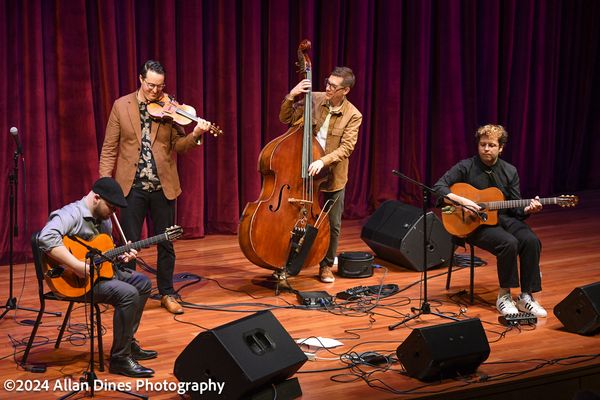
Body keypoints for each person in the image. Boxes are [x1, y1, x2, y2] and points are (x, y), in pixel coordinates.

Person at [99, 60, 211, 314]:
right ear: (141, 79)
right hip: (131, 187)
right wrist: (105, 185)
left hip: (163, 186)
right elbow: (109, 148)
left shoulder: (170, 108)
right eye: (151, 85)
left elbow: (179, 146)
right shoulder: (121, 106)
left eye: (160, 86)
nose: (155, 91)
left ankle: (167, 292)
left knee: (167, 243)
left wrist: (195, 135)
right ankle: (127, 295)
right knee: (128, 244)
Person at [38, 177, 157, 377]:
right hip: (74, 281)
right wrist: (76, 265)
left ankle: (127, 343)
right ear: (96, 198)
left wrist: (121, 256)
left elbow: (103, 253)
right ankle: (120, 359)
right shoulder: (71, 213)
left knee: (143, 283)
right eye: (111, 207)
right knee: (128, 294)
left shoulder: (105, 219)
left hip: (99, 274)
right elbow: (45, 237)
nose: (113, 213)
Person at [433, 124, 547, 317]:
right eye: (483, 144)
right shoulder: (465, 167)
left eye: (491, 145)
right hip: (474, 223)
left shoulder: (509, 171)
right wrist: (463, 201)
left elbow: (516, 208)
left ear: (500, 148)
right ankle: (504, 296)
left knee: (531, 240)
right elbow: (438, 187)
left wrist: (528, 209)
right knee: (508, 243)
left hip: (504, 218)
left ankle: (526, 296)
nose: (486, 149)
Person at [279, 67, 362, 283]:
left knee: (332, 224)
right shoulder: (314, 99)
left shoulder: (353, 115)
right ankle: (286, 261)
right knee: (293, 217)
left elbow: (347, 148)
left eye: (333, 86)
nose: (327, 87)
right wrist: (292, 95)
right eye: (327, 82)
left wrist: (322, 161)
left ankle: (325, 265)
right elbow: (285, 118)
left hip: (333, 175)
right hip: (305, 172)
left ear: (345, 90)